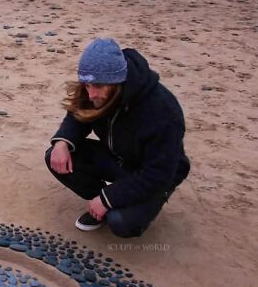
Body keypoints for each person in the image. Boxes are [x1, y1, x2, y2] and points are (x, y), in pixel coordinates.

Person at [44, 38, 190, 236]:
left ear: (118, 81)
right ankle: (101, 201)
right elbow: (79, 115)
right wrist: (62, 142)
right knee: (55, 156)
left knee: (121, 222)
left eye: (98, 86)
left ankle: (117, 203)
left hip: (157, 174)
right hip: (119, 158)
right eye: (87, 85)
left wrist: (108, 198)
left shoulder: (163, 110)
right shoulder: (94, 90)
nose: (91, 94)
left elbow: (158, 173)